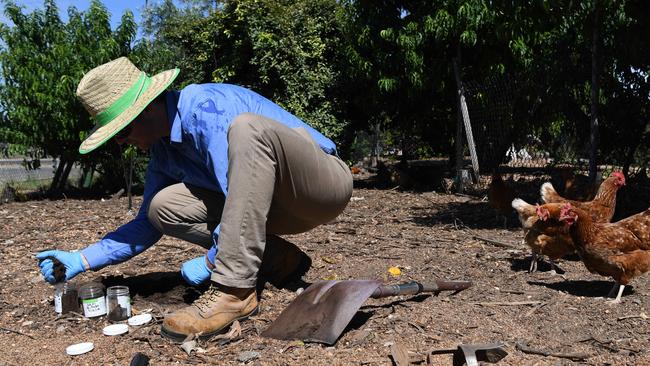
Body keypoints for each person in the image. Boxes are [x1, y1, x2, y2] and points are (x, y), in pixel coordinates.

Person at [36, 57, 353, 341]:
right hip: (272, 206)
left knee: (247, 129)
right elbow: (147, 223)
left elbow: (236, 191)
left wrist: (214, 260)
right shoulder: (163, 152)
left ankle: (234, 291)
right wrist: (82, 258)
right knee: (163, 206)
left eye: (121, 133)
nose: (123, 143)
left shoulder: (205, 108)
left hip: (320, 187)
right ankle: (277, 259)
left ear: (145, 110)